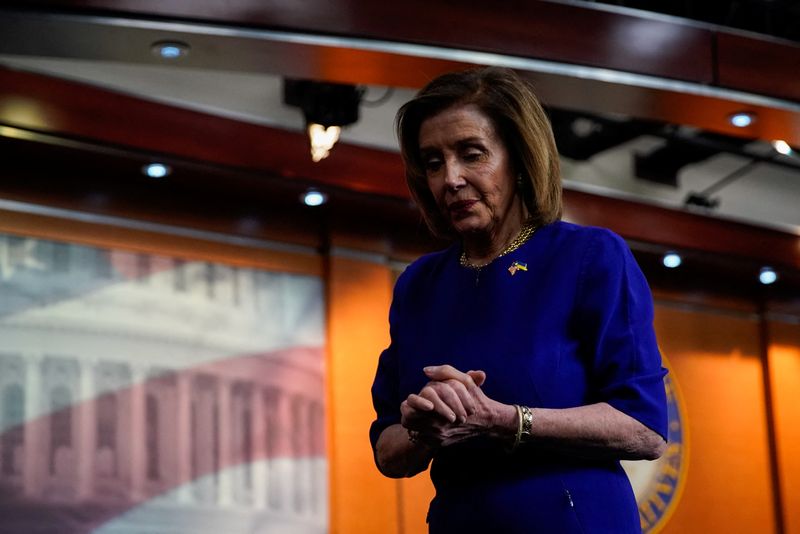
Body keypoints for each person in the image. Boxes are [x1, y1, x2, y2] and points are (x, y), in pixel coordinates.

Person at [369, 67, 668, 533]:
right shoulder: (418, 284)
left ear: (520, 159)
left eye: (472, 154)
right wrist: (422, 429)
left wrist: (504, 420)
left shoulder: (590, 256)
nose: (450, 179)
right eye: (432, 162)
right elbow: (388, 452)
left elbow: (644, 428)